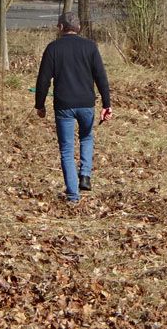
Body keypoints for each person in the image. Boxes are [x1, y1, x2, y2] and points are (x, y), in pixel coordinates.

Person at [35, 12, 112, 203]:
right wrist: (106, 104)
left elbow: (43, 80)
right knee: (86, 137)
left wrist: (40, 104)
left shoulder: (53, 48)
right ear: (79, 28)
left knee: (67, 150)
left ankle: (72, 195)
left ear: (61, 27)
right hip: (87, 104)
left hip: (64, 106)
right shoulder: (90, 47)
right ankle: (85, 175)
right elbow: (101, 77)